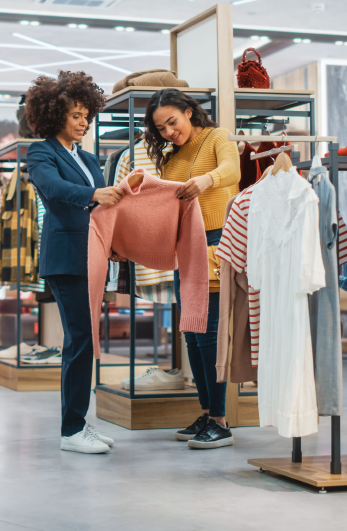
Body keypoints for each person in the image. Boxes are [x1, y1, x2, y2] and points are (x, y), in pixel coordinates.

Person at [26, 71, 125, 454]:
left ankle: (80, 422)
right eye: (75, 115)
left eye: (86, 115)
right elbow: (53, 189)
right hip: (66, 258)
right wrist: (95, 192)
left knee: (86, 340)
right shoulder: (42, 151)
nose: (83, 122)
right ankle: (71, 431)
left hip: (93, 256)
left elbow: (102, 211)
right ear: (55, 116)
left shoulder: (85, 157)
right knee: (80, 339)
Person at [144, 88, 240, 449]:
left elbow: (232, 172)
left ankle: (220, 420)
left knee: (210, 333)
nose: (169, 132)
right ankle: (206, 411)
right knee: (191, 332)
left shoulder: (217, 137)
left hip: (216, 242)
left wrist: (206, 180)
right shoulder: (170, 157)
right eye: (161, 128)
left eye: (173, 122)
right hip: (185, 246)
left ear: (188, 112)